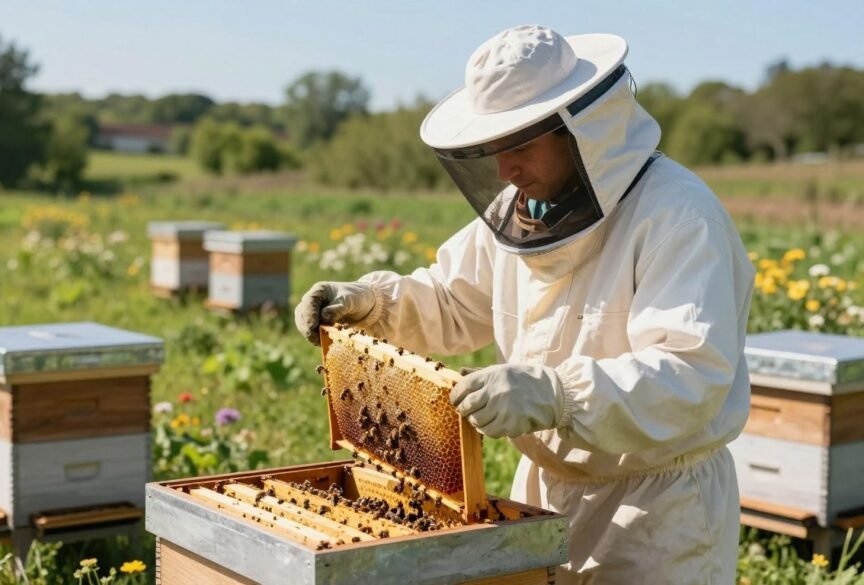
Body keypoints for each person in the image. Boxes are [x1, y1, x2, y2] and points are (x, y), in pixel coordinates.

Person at [295, 24, 754, 584]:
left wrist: (557, 393)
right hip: (541, 489)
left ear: (582, 132)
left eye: (521, 146)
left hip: (657, 511)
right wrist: (371, 304)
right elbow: (452, 301)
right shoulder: (524, 210)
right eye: (494, 150)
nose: (504, 170)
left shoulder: (678, 216)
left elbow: (689, 373)